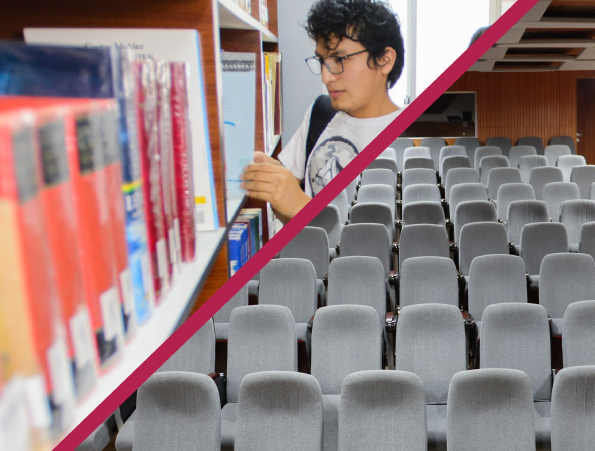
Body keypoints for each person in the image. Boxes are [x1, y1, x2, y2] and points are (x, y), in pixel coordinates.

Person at [241, 0, 405, 224]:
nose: (326, 77)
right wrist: (271, 183)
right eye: (322, 61)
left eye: (339, 60)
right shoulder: (320, 112)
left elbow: (372, 240)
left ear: (384, 60)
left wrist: (301, 207)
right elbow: (287, 206)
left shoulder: (405, 141)